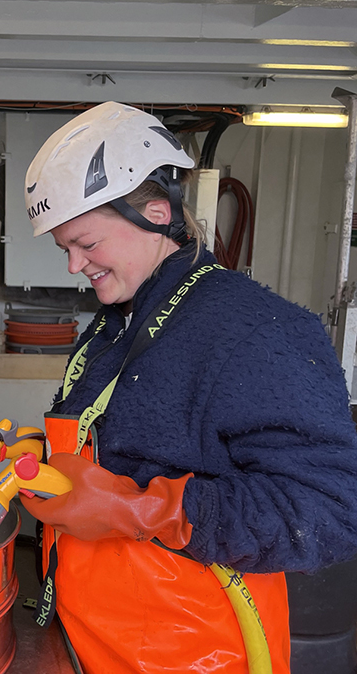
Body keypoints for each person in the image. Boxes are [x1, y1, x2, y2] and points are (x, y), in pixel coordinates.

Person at [18, 101, 357, 673]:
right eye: (64, 249)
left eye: (87, 244)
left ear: (155, 213)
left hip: (196, 655)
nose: (75, 266)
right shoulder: (119, 321)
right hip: (93, 641)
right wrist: (43, 456)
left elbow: (328, 512)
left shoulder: (251, 330)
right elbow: (132, 449)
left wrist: (140, 511)